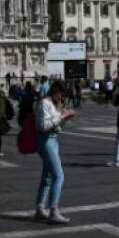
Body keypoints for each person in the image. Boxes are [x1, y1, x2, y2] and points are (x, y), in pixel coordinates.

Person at [35, 81, 77, 224]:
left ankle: (40, 208)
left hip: (53, 140)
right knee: (58, 175)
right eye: (61, 95)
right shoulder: (44, 103)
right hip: (46, 141)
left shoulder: (51, 104)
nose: (62, 99)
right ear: (56, 91)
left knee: (47, 177)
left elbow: (56, 124)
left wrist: (65, 117)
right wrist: (62, 115)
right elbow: (43, 125)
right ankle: (54, 211)